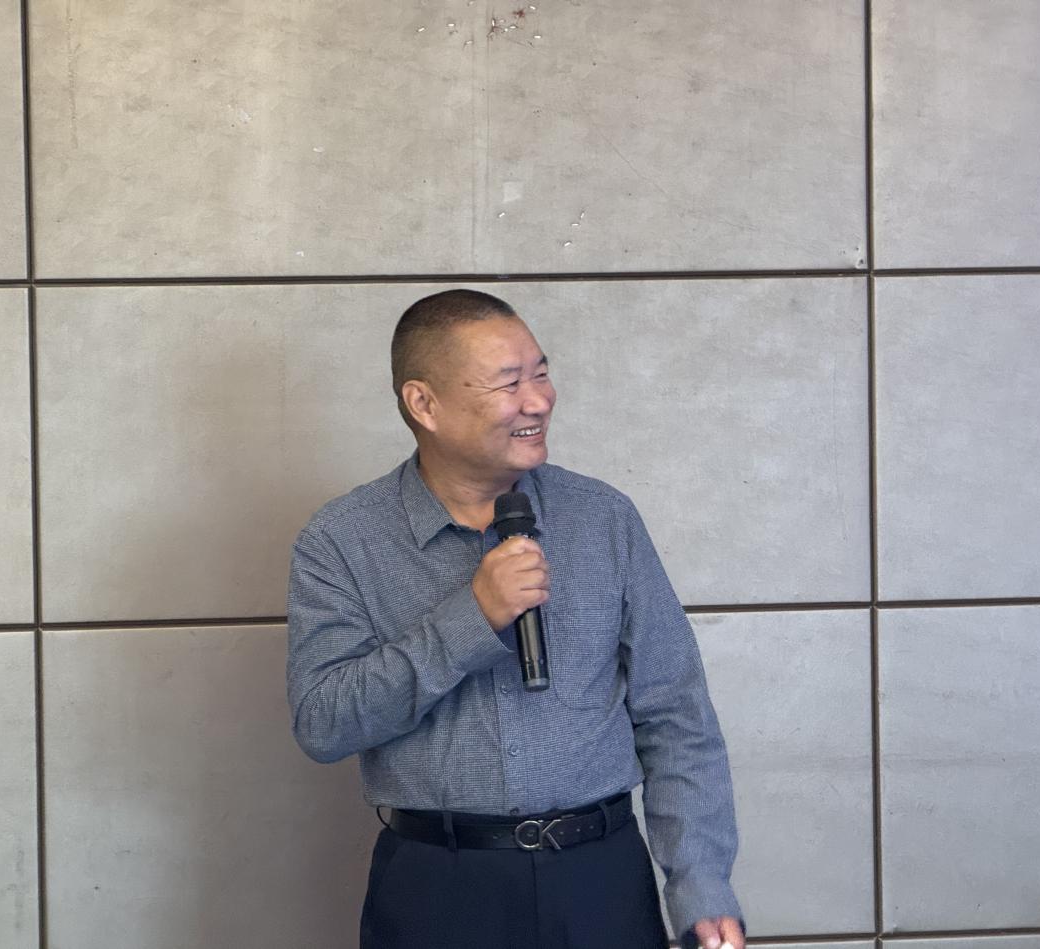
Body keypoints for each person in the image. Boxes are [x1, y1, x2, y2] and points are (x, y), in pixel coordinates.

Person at [287, 289, 744, 949]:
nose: (538, 401)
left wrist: (700, 885)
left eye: (541, 373)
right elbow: (323, 723)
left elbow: (677, 716)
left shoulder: (603, 518)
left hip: (601, 880)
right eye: (509, 383)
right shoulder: (342, 539)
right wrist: (470, 619)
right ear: (424, 404)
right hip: (437, 888)